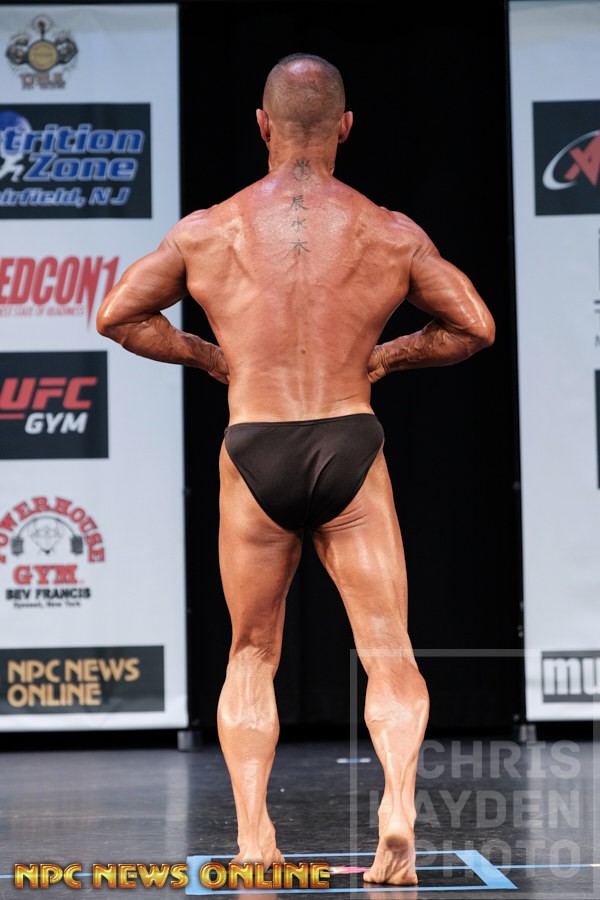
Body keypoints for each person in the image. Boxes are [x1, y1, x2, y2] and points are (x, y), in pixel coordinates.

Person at [96, 52, 495, 886]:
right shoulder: (390, 230)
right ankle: (397, 810)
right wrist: (387, 357)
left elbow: (118, 315)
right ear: (346, 127)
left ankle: (254, 839)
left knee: (251, 653)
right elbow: (474, 327)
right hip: (350, 442)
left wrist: (212, 357)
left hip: (256, 448)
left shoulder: (209, 229)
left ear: (262, 126)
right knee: (388, 652)